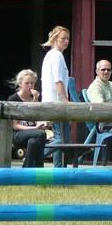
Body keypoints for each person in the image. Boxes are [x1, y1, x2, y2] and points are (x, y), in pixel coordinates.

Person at [41, 25, 71, 168]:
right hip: (57, 102)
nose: (66, 41)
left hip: (51, 101)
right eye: (63, 38)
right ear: (54, 39)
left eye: (67, 39)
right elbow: (58, 81)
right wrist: (65, 101)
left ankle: (60, 169)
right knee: (61, 138)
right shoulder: (57, 56)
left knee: (62, 137)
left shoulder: (49, 56)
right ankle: (37, 153)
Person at [7, 69, 47, 168]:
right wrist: (34, 129)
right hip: (17, 134)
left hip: (33, 133)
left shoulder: (35, 98)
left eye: (32, 83)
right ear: (20, 84)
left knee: (33, 142)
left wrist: (35, 100)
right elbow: (15, 126)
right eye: (27, 83)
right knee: (41, 134)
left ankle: (27, 170)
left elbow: (36, 117)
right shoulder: (13, 99)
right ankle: (39, 168)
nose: (30, 86)